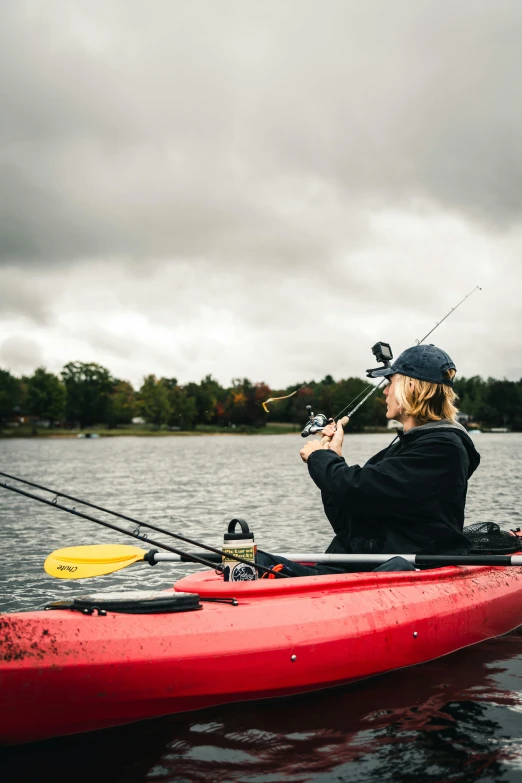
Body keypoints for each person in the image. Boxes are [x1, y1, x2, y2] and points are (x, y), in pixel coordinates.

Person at [257, 343, 480, 577]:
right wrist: (335, 455)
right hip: (360, 566)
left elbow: (356, 488)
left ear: (411, 387)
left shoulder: (441, 449)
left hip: (400, 569)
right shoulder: (404, 449)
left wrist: (320, 457)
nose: (384, 392)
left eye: (390, 383)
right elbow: (350, 518)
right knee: (257, 561)